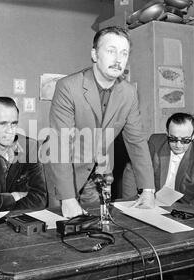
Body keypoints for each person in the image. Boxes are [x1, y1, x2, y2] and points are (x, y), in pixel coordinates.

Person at [44, 26, 155, 218]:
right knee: (64, 231)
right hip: (65, 171)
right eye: (111, 51)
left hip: (100, 173)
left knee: (99, 227)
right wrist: (68, 199)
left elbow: (137, 141)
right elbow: (60, 144)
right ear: (94, 54)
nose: (118, 59)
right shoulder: (68, 87)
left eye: (124, 53)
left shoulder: (129, 93)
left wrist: (148, 189)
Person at [122, 112, 194, 211]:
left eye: (185, 140)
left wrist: (173, 211)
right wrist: (131, 203)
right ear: (167, 132)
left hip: (189, 210)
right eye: (173, 139)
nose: (178, 145)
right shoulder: (155, 143)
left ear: (193, 135)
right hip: (155, 206)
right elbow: (132, 168)